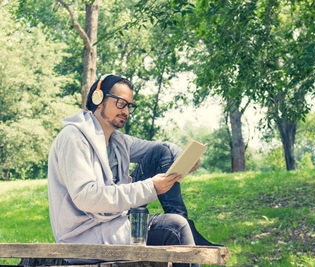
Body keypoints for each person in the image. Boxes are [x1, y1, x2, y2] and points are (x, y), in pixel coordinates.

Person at [47, 74, 215, 266]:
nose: (126, 111)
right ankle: (186, 230)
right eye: (120, 103)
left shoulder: (118, 141)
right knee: (175, 228)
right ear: (98, 99)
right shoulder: (74, 138)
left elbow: (161, 149)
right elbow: (87, 197)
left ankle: (187, 228)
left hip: (113, 223)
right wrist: (151, 187)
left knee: (162, 155)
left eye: (129, 106)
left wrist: (184, 158)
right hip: (84, 235)